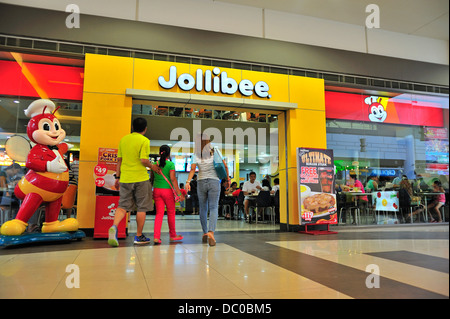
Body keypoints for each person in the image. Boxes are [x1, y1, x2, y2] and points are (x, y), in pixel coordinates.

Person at [108, 117, 161, 247]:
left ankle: (114, 227)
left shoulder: (124, 140)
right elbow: (143, 160)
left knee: (123, 205)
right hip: (140, 179)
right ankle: (138, 236)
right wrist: (152, 166)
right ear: (145, 128)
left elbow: (119, 160)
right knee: (142, 207)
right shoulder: (144, 141)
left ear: (132, 127)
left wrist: (117, 177)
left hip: (125, 178)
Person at [185, 133, 229, 246]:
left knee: (203, 208)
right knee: (213, 207)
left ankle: (205, 233)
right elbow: (225, 166)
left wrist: (188, 182)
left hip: (201, 182)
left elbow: (192, 169)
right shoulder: (215, 150)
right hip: (214, 181)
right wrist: (228, 179)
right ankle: (211, 232)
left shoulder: (196, 153)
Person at [152, 145, 184, 245]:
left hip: (156, 190)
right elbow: (173, 179)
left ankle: (156, 237)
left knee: (159, 214)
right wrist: (179, 193)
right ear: (169, 154)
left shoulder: (154, 164)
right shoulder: (171, 164)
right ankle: (172, 235)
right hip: (167, 191)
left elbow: (151, 179)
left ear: (159, 153)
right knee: (171, 213)